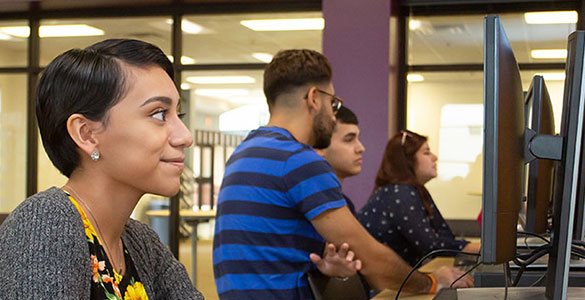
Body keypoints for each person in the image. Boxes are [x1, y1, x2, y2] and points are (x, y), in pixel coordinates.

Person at [212, 49, 473, 300]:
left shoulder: (243, 154)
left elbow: (271, 249)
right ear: (314, 98)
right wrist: (433, 281)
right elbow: (373, 261)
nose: (333, 113)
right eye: (333, 102)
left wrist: (323, 261)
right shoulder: (297, 159)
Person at [0, 39, 204, 299]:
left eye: (179, 115)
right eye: (159, 114)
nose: (185, 136)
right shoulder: (45, 223)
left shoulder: (140, 241)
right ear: (86, 134)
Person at [358, 130, 480, 267]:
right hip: (384, 283)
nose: (434, 157)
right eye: (426, 152)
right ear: (407, 160)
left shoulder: (417, 191)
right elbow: (432, 246)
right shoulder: (400, 193)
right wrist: (480, 248)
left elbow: (445, 237)